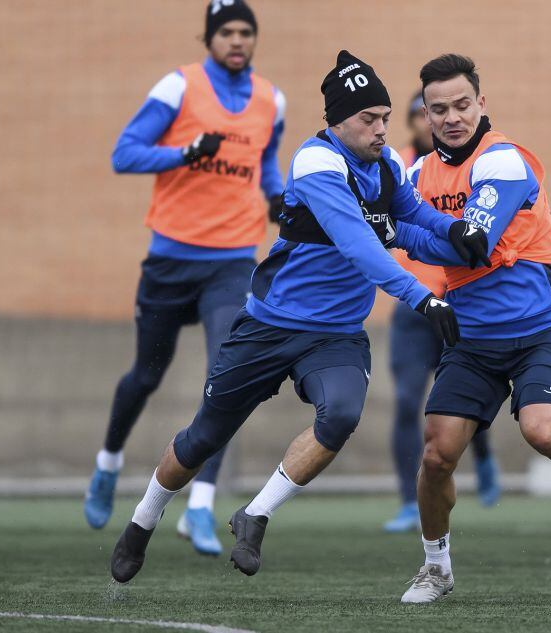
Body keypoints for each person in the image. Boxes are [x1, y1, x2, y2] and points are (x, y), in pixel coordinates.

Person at [108, 50, 490, 584]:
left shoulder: (384, 165)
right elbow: (360, 244)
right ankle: (142, 522)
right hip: (271, 325)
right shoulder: (316, 163)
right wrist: (422, 298)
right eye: (369, 118)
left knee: (340, 416)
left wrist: (457, 235)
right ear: (336, 120)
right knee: (201, 438)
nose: (382, 128)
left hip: (335, 335)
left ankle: (256, 513)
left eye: (385, 117)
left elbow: (407, 219)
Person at [389, 54, 551, 603]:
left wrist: (398, 228)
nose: (452, 117)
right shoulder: (416, 175)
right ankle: (436, 568)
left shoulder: (505, 162)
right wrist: (387, 223)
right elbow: (406, 231)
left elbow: (470, 242)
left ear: (481, 104)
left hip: (539, 328)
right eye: (439, 109)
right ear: (426, 115)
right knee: (437, 454)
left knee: (542, 432)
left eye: (462, 104)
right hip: (472, 337)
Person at [83, 0, 286, 558]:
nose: (238, 41)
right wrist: (185, 152)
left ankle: (200, 504)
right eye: (227, 32)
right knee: (145, 376)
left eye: (247, 32)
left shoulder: (272, 99)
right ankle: (108, 463)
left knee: (228, 374)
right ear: (209, 38)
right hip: (171, 259)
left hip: (232, 259)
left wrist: (277, 198)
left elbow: (265, 163)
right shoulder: (178, 88)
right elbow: (123, 155)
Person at [383, 92, 500, 534]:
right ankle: (407, 502)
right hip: (415, 310)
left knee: (468, 400)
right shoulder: (401, 173)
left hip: (460, 304)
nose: (438, 119)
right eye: (424, 112)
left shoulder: (470, 169)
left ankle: (484, 459)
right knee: (409, 402)